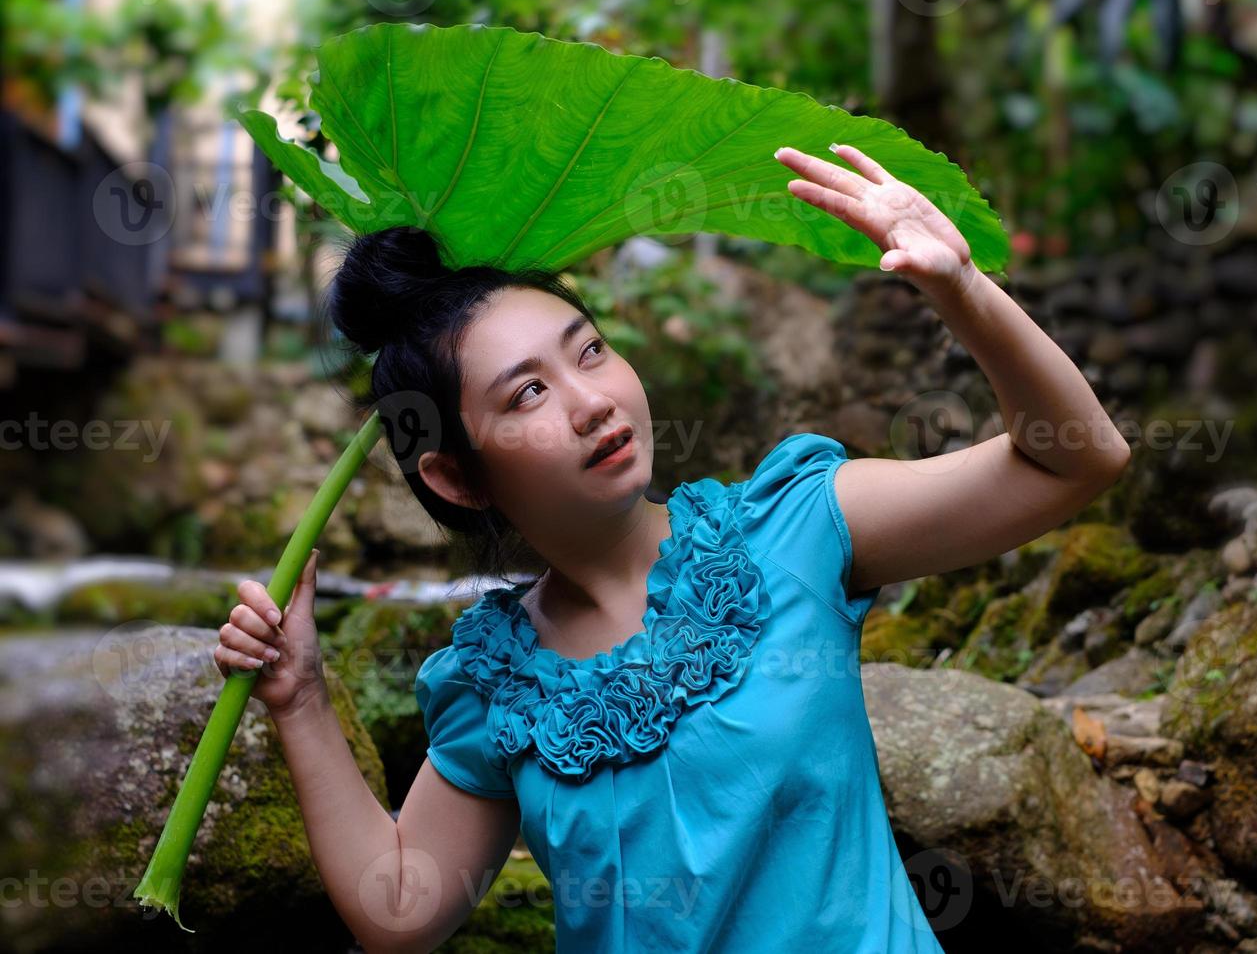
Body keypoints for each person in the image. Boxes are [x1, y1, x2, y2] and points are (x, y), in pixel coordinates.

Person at [215, 143, 1132, 952]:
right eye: (525, 395)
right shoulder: (497, 683)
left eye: (590, 351)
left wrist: (958, 288)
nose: (591, 401)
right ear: (457, 477)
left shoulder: (796, 528)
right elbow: (402, 912)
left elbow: (1074, 463)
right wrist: (299, 700)